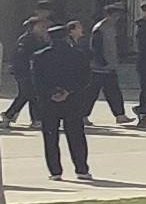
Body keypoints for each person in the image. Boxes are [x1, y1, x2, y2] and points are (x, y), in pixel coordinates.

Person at [30, 15, 97, 181]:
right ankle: (81, 169)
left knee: (50, 136)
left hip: (48, 101)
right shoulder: (78, 55)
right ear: (67, 36)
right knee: (76, 135)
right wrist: (69, 91)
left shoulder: (40, 56)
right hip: (72, 99)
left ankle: (55, 171)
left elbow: (36, 81)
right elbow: (85, 79)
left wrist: (51, 92)